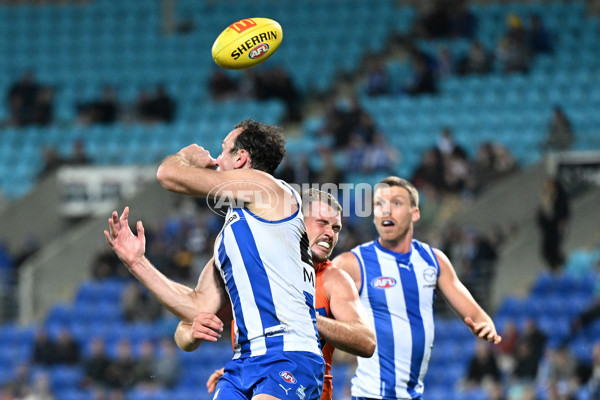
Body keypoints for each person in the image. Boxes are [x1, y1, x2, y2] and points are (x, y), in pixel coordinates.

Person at [104, 119, 325, 400]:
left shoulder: (265, 186)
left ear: (242, 157)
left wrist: (185, 157)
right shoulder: (232, 240)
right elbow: (198, 308)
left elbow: (168, 175)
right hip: (245, 361)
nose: (217, 159)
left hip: (289, 353)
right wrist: (137, 263)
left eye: (224, 150)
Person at [177, 189, 376, 399]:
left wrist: (307, 318)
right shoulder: (252, 269)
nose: (330, 233)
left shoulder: (332, 279)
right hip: (255, 378)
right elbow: (184, 330)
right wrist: (191, 335)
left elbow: (366, 341)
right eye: (322, 223)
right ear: (296, 221)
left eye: (336, 228)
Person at [331, 176, 502, 399]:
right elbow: (314, 311)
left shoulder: (434, 261)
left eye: (397, 203)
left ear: (415, 213)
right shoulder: (352, 263)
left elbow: (475, 313)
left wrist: (485, 325)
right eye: (379, 204)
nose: (386, 211)